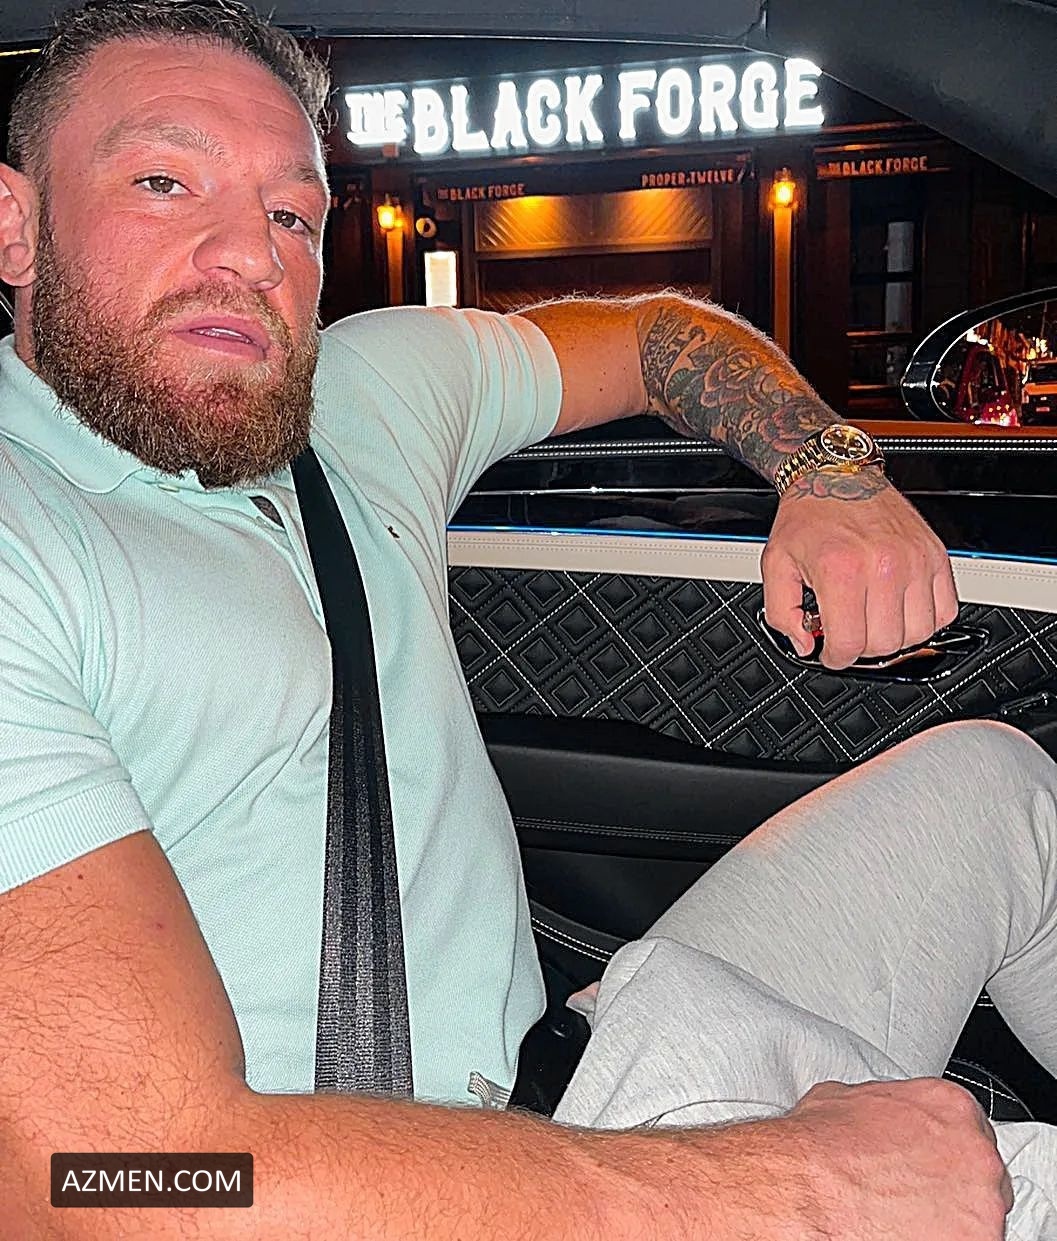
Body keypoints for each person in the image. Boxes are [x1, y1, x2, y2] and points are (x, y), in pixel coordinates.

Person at [0, 0, 1050, 1237]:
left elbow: (660, 336)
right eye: (164, 181)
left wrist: (831, 471)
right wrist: (787, 1185)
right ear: (15, 224)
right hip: (363, 1200)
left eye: (291, 213)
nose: (248, 253)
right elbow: (112, 1177)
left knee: (998, 786)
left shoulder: (366, 393)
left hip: (569, 1076)